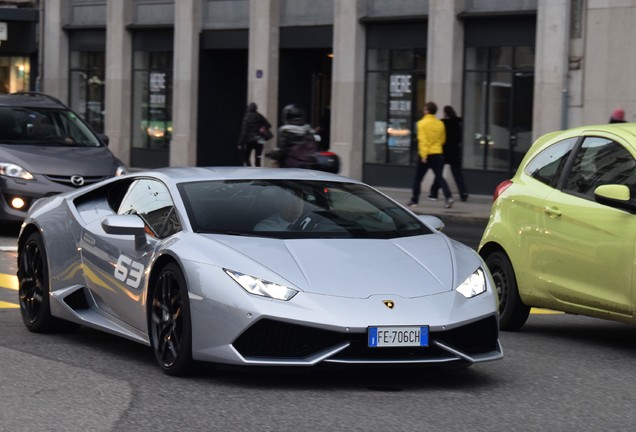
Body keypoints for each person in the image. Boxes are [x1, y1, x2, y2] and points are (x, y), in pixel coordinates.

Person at [407, 101, 454, 208]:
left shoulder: (421, 123)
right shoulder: (440, 123)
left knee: (418, 179)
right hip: (437, 153)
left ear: (427, 110)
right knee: (440, 177)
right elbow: (442, 140)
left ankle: (414, 200)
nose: (424, 111)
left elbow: (422, 140)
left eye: (424, 109)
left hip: (426, 155)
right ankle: (449, 197)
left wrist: (423, 155)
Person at [428, 105, 469, 202]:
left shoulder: (443, 123)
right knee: (457, 174)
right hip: (455, 151)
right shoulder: (458, 122)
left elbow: (440, 137)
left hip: (444, 151)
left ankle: (434, 192)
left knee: (439, 173)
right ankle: (463, 192)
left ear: (445, 113)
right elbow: (460, 137)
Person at [277, 104, 318, 168]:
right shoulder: (309, 130)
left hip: (290, 166)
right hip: (308, 165)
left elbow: (282, 151)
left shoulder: (285, 131)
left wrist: (273, 155)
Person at [237, 102, 272, 167]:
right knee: (258, 158)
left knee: (246, 157)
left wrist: (240, 143)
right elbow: (269, 125)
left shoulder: (246, 117)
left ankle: (249, 170)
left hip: (249, 140)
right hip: (260, 140)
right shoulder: (260, 116)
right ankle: (258, 173)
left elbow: (244, 131)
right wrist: (262, 128)